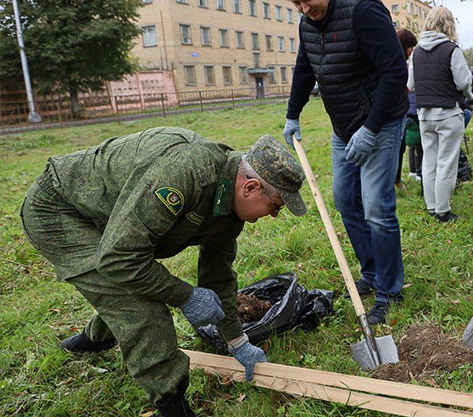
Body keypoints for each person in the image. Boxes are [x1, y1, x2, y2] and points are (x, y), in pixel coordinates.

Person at [19, 127, 307, 417]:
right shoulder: (186, 173)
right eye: (274, 206)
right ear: (251, 187)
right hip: (60, 207)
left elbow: (218, 277)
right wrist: (185, 295)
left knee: (137, 278)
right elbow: (120, 258)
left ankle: (96, 337)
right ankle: (171, 404)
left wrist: (237, 341)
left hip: (111, 218)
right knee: (143, 307)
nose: (273, 215)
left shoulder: (228, 204)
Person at [279, 0, 408, 324]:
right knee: (344, 199)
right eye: (296, 4)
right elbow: (305, 67)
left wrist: (371, 128)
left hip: (380, 122)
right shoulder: (307, 22)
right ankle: (371, 273)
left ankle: (389, 289)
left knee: (377, 209)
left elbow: (395, 71)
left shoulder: (362, 9)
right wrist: (293, 114)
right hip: (343, 127)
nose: (305, 8)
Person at [407, 6, 473, 222]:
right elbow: (463, 81)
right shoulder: (451, 50)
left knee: (429, 160)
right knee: (447, 162)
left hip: (424, 113)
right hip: (448, 112)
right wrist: (469, 96)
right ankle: (443, 210)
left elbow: (411, 84)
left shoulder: (416, 52)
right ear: (449, 24)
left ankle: (431, 206)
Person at [397, 28, 423, 183]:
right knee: (410, 144)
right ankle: (398, 178)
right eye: (411, 48)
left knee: (406, 145)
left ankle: (401, 177)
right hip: (403, 112)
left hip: (405, 111)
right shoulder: (400, 64)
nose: (412, 51)